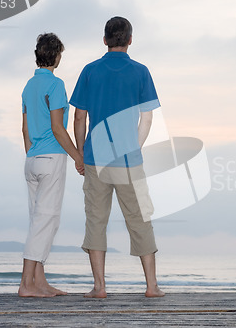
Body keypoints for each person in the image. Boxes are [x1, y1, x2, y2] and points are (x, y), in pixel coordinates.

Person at [70, 16, 164, 298]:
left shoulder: (90, 71)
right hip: (128, 160)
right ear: (130, 40)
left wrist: (80, 152)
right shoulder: (141, 71)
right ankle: (151, 286)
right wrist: (133, 147)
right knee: (140, 220)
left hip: (95, 159)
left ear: (105, 40)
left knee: (96, 221)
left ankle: (99, 288)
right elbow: (146, 119)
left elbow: (79, 116)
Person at [19, 33, 84, 297]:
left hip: (32, 159)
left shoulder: (28, 86)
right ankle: (26, 284)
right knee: (46, 221)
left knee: (38, 221)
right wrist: (77, 156)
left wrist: (32, 156)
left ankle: (40, 283)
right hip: (51, 158)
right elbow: (58, 128)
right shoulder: (55, 85)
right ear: (56, 56)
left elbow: (25, 129)